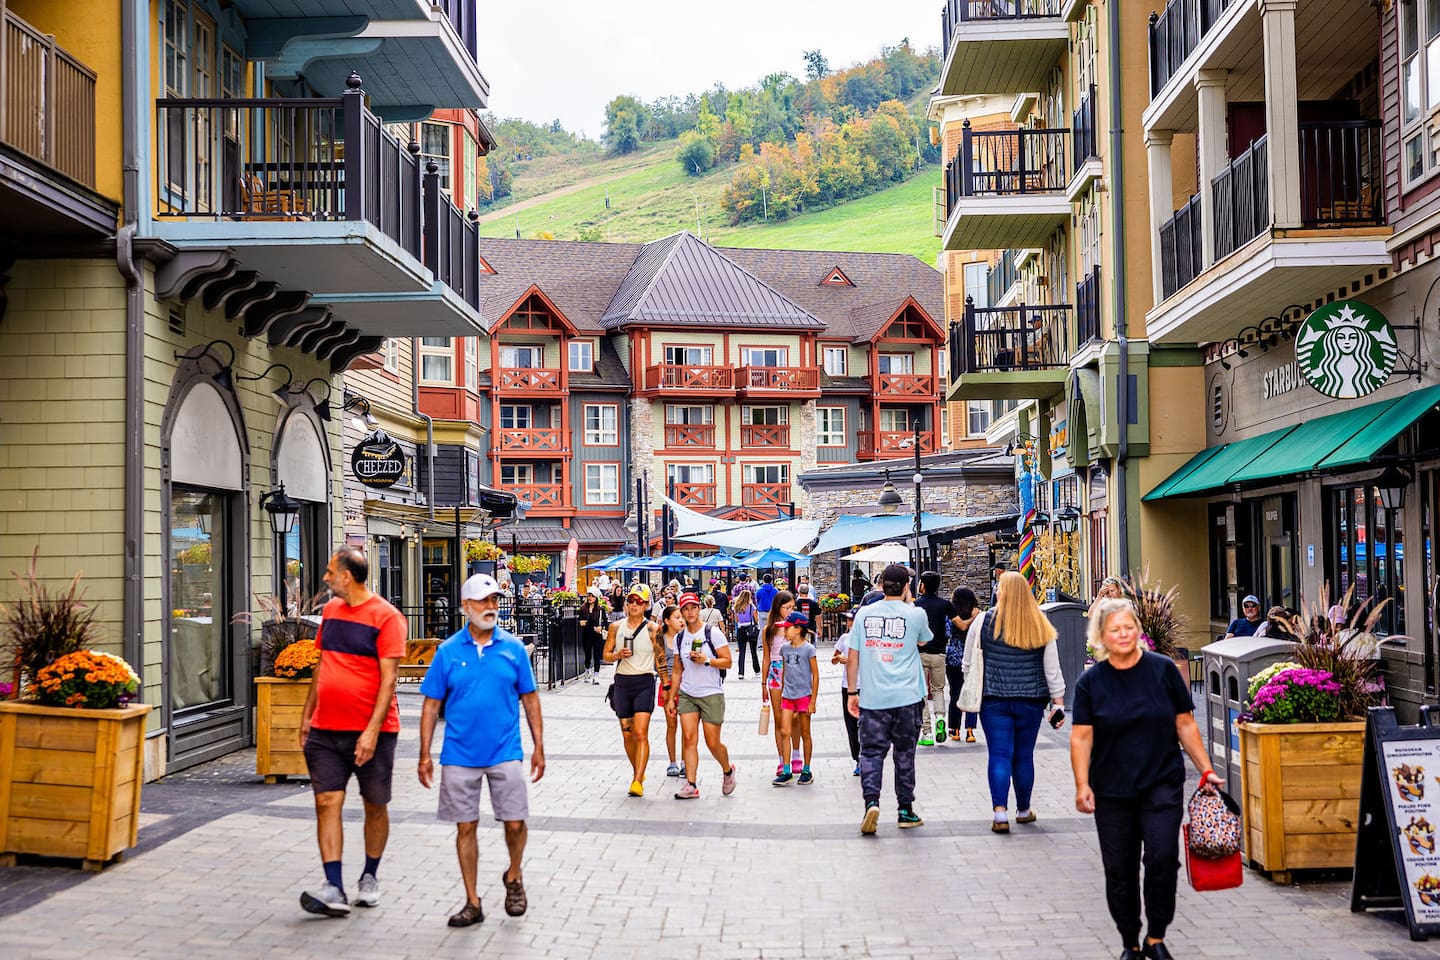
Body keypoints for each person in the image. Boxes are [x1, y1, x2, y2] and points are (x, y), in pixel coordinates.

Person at [1071, 598, 1222, 960]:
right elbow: (1081, 736)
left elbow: (1185, 723)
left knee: (1162, 858)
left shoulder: (1163, 670)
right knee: (1119, 869)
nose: (1123, 634)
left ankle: (1156, 936)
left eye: (1129, 627)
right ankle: (1130, 942)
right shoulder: (1091, 682)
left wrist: (1206, 768)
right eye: (1115, 629)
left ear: (1138, 630)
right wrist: (1082, 784)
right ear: (1101, 636)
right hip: (1111, 790)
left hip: (1161, 783)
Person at [418, 574, 545, 928]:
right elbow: (430, 705)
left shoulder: (513, 649)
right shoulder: (448, 652)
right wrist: (424, 753)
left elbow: (530, 699)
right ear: (466, 606)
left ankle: (514, 875)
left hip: (505, 750)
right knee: (465, 827)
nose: (491, 607)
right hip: (459, 753)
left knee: (515, 822)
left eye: (494, 601)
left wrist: (539, 746)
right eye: (483, 601)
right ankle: (472, 901)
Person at [298, 547, 407, 918]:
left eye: (331, 572)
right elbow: (322, 663)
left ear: (347, 576)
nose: (326, 578)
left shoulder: (387, 617)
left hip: (373, 731)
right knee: (326, 802)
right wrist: (306, 715)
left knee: (375, 805)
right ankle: (333, 886)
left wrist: (371, 732)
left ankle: (370, 876)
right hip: (326, 729)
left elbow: (389, 679)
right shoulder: (330, 611)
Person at [963, 571, 1066, 834]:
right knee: (1023, 755)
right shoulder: (1040, 622)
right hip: (1030, 700)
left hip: (993, 699)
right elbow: (1052, 669)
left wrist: (974, 686)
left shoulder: (982, 621)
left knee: (999, 754)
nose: (997, 590)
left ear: (1004, 592)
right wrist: (1058, 703)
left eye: (999, 587)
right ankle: (1023, 809)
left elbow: (968, 662)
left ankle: (1000, 813)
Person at [846, 564, 928, 834]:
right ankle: (905, 809)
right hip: (907, 697)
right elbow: (923, 642)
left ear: (881, 585)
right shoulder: (915, 613)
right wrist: (908, 602)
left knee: (871, 752)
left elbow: (853, 656)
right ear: (906, 586)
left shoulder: (863, 614)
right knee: (905, 754)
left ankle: (871, 802)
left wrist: (852, 692)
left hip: (873, 698)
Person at [667, 592, 736, 799]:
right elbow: (677, 669)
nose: (690, 612)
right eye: (685, 609)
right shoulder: (680, 638)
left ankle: (727, 769)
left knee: (712, 742)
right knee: (689, 739)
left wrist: (706, 660)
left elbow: (727, 661)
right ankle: (691, 784)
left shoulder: (712, 633)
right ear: (682, 612)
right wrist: (671, 698)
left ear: (699, 608)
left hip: (711, 693)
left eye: (693, 608)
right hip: (688, 693)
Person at [602, 584, 667, 797]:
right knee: (627, 732)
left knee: (640, 732)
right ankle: (638, 769)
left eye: (639, 601)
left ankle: (638, 779)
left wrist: (666, 685)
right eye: (630, 600)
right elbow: (606, 655)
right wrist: (617, 655)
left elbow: (661, 658)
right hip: (622, 681)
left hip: (644, 681)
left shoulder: (653, 629)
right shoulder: (616, 627)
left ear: (646, 605)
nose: (634, 604)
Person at [773, 612, 819, 786]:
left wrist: (813, 701)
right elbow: (785, 671)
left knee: (805, 733)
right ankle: (786, 770)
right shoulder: (784, 649)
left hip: (804, 696)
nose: (784, 632)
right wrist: (783, 690)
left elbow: (815, 675)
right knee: (785, 731)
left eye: (787, 628)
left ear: (798, 629)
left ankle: (806, 769)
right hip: (788, 696)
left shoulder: (809, 649)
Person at [913, 571, 958, 747]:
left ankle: (927, 733)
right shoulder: (945, 604)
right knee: (938, 689)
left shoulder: (916, 605)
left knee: (922, 693)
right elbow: (960, 624)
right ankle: (940, 717)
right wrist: (974, 617)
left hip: (920, 654)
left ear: (923, 585)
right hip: (939, 654)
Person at [760, 590, 801, 775]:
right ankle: (781, 759)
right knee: (779, 718)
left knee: (795, 716)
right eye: (787, 607)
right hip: (776, 672)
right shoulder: (768, 630)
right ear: (778, 607)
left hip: (793, 670)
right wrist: (763, 683)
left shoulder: (795, 627)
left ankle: (796, 754)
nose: (790, 611)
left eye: (793, 607)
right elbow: (766, 657)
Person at [945, 587, 981, 743]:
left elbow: (946, 632)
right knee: (972, 693)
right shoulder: (978, 615)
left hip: (953, 657)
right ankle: (970, 731)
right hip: (973, 657)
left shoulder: (950, 613)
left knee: (955, 693)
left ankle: (955, 730)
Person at [656, 605, 685, 778]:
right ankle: (672, 761)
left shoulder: (686, 637)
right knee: (672, 725)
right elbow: (658, 663)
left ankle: (685, 761)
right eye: (677, 617)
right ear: (667, 621)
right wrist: (666, 685)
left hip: (686, 684)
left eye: (681, 617)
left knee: (687, 726)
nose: (681, 620)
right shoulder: (660, 638)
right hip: (667, 684)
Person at [831, 622, 861, 776]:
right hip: (847, 686)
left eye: (852, 620)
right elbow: (834, 658)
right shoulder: (844, 638)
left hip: (866, 686)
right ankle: (858, 758)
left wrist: (849, 660)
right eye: (848, 620)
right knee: (851, 725)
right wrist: (838, 658)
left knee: (866, 724)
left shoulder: (867, 640)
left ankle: (866, 757)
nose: (849, 623)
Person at [577, 588, 607, 686]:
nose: (590, 598)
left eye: (592, 596)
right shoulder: (583, 608)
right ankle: (587, 671)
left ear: (596, 597)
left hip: (597, 635)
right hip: (587, 634)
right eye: (589, 596)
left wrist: (601, 627)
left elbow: (605, 622)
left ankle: (596, 676)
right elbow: (579, 620)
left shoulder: (600, 609)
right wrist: (581, 622)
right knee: (588, 654)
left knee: (597, 655)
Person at [731, 588, 760, 678]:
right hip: (750, 629)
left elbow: (736, 620)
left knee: (742, 652)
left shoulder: (737, 607)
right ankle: (757, 670)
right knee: (753, 651)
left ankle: (741, 673)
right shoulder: (752, 606)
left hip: (741, 629)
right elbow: (756, 619)